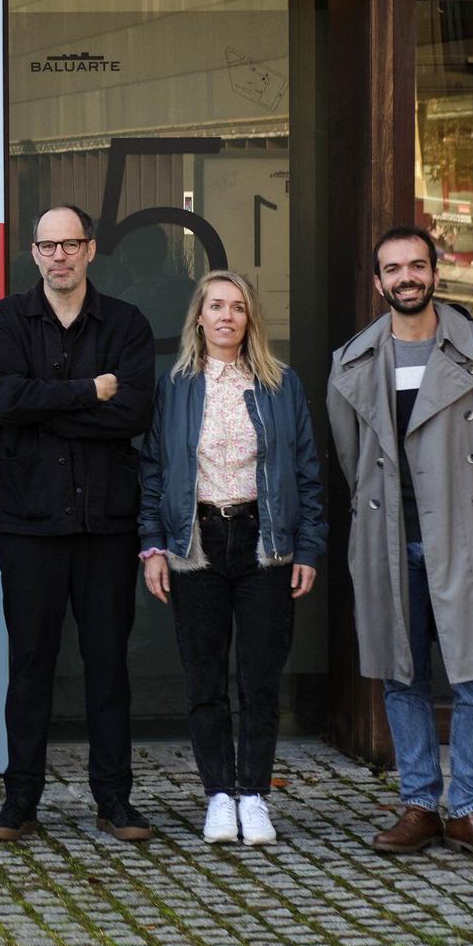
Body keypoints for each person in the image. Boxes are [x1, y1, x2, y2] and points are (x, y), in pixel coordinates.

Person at [329, 226, 473, 858]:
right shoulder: (352, 362)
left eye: (417, 265)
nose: (406, 277)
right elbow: (350, 459)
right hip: (389, 539)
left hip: (462, 536)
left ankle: (468, 808)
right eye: (393, 268)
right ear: (378, 281)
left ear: (435, 274)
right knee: (401, 673)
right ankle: (419, 804)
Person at [0, 204, 155, 843]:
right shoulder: (6, 321)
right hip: (30, 526)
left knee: (108, 666)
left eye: (70, 244)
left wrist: (43, 406)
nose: (60, 256)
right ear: (33, 253)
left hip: (107, 523)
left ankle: (115, 802)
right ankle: (20, 802)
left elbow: (132, 414)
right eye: (48, 246)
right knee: (30, 667)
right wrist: (89, 391)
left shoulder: (127, 324)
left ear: (90, 249)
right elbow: (4, 402)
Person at [139, 271, 325, 846]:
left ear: (250, 319)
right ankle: (218, 795)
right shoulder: (172, 386)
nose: (226, 316)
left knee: (261, 680)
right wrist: (152, 545)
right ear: (198, 316)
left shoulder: (280, 383)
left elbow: (306, 471)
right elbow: (153, 470)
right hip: (195, 543)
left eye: (237, 307)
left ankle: (255, 797)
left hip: (263, 541)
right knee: (205, 679)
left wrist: (309, 546)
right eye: (215, 306)